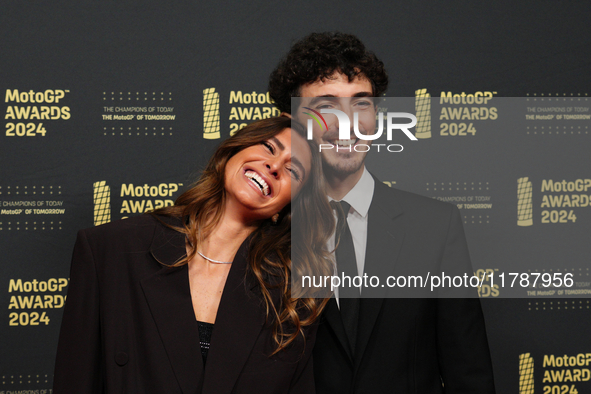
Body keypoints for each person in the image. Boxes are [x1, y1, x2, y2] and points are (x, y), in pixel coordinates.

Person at [269, 32, 496, 393]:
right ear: (290, 123)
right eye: (326, 106)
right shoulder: (268, 231)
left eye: (361, 104)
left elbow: (468, 371)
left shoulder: (436, 226)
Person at [53, 116, 334, 394]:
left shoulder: (295, 297)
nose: (274, 166)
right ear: (234, 151)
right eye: (268, 147)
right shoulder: (110, 250)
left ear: (289, 206)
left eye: (294, 171)